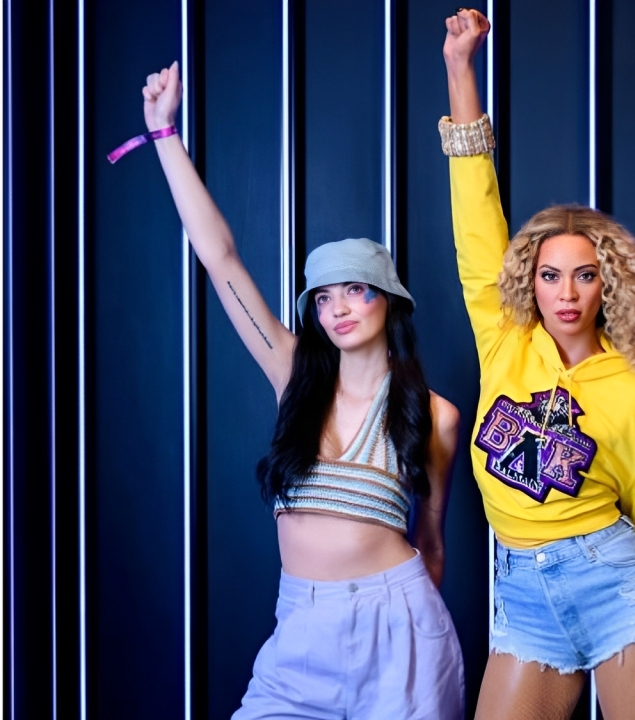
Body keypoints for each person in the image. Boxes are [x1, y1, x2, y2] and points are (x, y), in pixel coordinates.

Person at [139, 63, 465, 718]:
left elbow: (431, 544)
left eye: (356, 290)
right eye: (323, 297)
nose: (338, 308)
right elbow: (219, 258)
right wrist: (164, 134)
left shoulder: (435, 414)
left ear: (389, 301)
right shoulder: (293, 376)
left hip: (398, 626)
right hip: (300, 626)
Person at [439, 10, 635, 720]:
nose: (567, 294)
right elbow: (475, 214)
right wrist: (460, 68)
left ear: (609, 284)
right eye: (550, 276)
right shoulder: (505, 339)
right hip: (523, 595)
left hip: (623, 591)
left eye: (585, 276)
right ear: (530, 280)